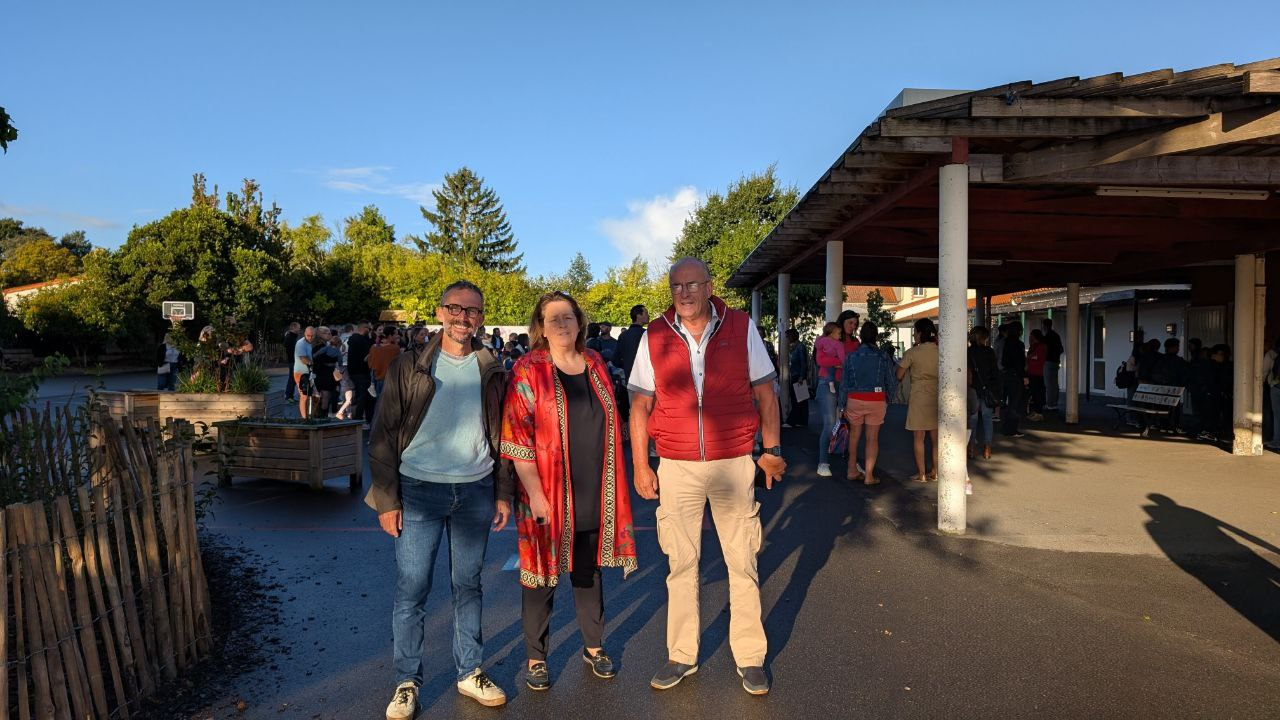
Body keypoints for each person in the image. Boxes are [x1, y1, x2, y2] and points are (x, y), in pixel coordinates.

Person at [627, 257, 783, 696]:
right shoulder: (654, 334)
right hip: (676, 465)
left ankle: (750, 657)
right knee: (680, 563)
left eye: (693, 284)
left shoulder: (740, 326)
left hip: (733, 460)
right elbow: (639, 406)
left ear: (709, 287)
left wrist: (771, 451)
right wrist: (641, 465)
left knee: (742, 561)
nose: (685, 293)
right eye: (677, 286)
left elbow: (765, 393)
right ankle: (681, 654)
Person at [367, 280, 514, 718]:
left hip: (475, 489)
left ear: (481, 318)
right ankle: (406, 682)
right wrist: (387, 500)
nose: (462, 317)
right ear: (439, 312)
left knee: (468, 585)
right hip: (417, 490)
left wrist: (503, 493)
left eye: (471, 311)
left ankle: (469, 671)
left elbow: (503, 436)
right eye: (454, 308)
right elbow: (383, 434)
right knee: (412, 590)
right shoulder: (409, 365)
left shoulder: (492, 368)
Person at [500, 291, 637, 691]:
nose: (562, 324)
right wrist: (536, 494)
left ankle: (594, 647)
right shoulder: (528, 369)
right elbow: (517, 437)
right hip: (544, 491)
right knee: (540, 576)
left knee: (587, 570)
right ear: (541, 328)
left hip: (594, 486)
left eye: (568, 317)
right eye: (553, 319)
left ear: (580, 322)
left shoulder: (594, 362)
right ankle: (536, 658)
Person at [840, 321, 896, 485]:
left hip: (854, 399)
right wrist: (888, 399)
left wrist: (842, 405)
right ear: (876, 336)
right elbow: (891, 381)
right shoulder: (883, 356)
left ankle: (851, 470)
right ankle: (869, 476)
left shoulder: (851, 356)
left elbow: (844, 383)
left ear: (861, 336)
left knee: (854, 436)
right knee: (872, 438)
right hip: (876, 399)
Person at [897, 318, 940, 481]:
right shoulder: (940, 351)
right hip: (937, 393)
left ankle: (921, 473)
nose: (914, 335)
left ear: (920, 333)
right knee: (936, 439)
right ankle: (935, 471)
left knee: (919, 437)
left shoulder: (912, 352)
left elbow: (899, 375)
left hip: (919, 395)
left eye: (915, 332)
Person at [813, 321, 845, 477]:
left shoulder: (821, 342)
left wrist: (836, 364)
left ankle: (827, 459)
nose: (840, 335)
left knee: (835, 423)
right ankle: (823, 462)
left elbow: (822, 361)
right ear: (832, 332)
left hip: (834, 383)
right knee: (830, 424)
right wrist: (839, 363)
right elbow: (821, 361)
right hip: (828, 384)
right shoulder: (836, 344)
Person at [967, 326, 1002, 461]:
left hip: (972, 389)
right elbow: (995, 372)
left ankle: (971, 447)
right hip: (987, 388)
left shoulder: (968, 352)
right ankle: (987, 448)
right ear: (983, 338)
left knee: (973, 419)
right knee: (987, 418)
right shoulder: (989, 351)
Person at [1001, 322, 1027, 438]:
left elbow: (1003, 361)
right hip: (1016, 376)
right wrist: (1024, 376)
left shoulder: (1006, 342)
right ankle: (1011, 430)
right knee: (1015, 403)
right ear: (1019, 331)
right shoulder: (1019, 344)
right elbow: (1020, 363)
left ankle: (1006, 428)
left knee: (1010, 402)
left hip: (1007, 374)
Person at [612, 304, 649, 380]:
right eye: (646, 313)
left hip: (630, 378)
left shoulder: (623, 336)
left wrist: (627, 365)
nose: (648, 316)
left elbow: (615, 360)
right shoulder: (647, 334)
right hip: (646, 378)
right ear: (638, 315)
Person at [347, 322, 374, 421]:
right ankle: (359, 418)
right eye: (369, 329)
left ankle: (358, 417)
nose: (370, 331)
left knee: (360, 395)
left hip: (354, 371)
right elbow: (366, 357)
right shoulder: (362, 340)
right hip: (361, 371)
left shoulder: (353, 339)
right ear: (364, 328)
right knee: (363, 396)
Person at [312, 329, 341, 417]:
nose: (330, 335)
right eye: (327, 333)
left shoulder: (324, 347)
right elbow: (339, 361)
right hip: (327, 374)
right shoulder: (334, 350)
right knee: (326, 395)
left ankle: (320, 414)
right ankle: (323, 415)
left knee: (323, 395)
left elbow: (315, 356)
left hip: (322, 373)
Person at [784, 328, 810, 428]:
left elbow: (803, 363)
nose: (786, 339)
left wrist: (802, 376)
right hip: (796, 375)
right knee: (801, 399)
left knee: (797, 399)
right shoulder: (796, 347)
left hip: (798, 376)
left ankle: (792, 421)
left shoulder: (799, 347)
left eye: (787, 337)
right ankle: (802, 421)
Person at [292, 326, 316, 418]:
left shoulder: (312, 342)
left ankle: (311, 415)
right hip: (301, 373)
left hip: (310, 372)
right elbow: (303, 359)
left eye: (312, 336)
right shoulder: (300, 343)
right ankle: (304, 418)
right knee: (304, 395)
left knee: (312, 395)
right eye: (308, 335)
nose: (310, 337)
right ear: (304, 334)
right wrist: (315, 363)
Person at [1041, 318, 1064, 411]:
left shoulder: (1046, 337)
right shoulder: (1056, 336)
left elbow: (1044, 350)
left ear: (1045, 326)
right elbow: (1061, 349)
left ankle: (1049, 404)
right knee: (1054, 383)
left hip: (1048, 362)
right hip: (1056, 361)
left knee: (1048, 384)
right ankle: (1054, 403)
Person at [1025, 329, 1047, 421]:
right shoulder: (1034, 346)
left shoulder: (1041, 346)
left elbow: (1036, 357)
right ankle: (1036, 412)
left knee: (1037, 393)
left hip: (1037, 373)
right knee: (1034, 393)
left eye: (1031, 336)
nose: (1030, 337)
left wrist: (1028, 357)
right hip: (1032, 372)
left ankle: (1039, 413)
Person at [1264, 336, 1280, 450]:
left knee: (1276, 417)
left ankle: (1276, 441)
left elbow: (1265, 371)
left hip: (1277, 387)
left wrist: (1273, 383)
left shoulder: (1273, 355)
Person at [283, 322, 301, 401]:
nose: (299, 329)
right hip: (293, 360)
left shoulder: (292, 336)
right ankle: (288, 396)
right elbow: (291, 350)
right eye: (298, 327)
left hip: (294, 360)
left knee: (293, 378)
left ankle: (290, 396)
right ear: (294, 328)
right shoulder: (289, 337)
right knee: (292, 378)